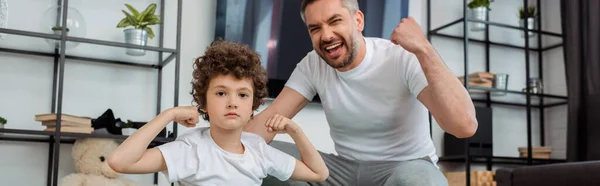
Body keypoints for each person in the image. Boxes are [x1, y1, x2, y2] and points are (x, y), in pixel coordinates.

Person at [244, 0, 478, 185]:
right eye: (315, 28)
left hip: (403, 168)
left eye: (335, 21)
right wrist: (217, 146)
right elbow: (267, 123)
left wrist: (424, 48)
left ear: (358, 20)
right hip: (341, 171)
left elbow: (464, 126)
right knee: (257, 151)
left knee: (420, 181)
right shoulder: (313, 64)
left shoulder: (400, 57)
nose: (326, 36)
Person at [107, 40, 329, 186]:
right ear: (203, 103)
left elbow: (319, 174)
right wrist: (169, 114)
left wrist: (295, 131)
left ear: (253, 105)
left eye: (242, 95)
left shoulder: (258, 149)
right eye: (221, 93)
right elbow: (119, 162)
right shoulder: (190, 149)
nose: (232, 103)